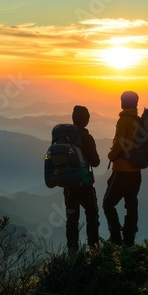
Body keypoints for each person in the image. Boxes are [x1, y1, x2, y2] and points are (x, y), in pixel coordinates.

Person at [103, 91, 141, 246]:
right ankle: (129, 239)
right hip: (136, 172)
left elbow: (119, 141)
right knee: (131, 204)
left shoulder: (124, 120)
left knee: (107, 203)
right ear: (136, 104)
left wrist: (111, 156)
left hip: (121, 170)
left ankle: (116, 238)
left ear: (122, 103)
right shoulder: (140, 121)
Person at [64, 105, 100, 250]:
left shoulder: (64, 138)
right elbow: (96, 162)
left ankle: (72, 251)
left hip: (69, 187)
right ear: (87, 120)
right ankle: (93, 249)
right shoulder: (86, 138)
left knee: (71, 220)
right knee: (92, 216)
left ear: (73, 119)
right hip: (85, 185)